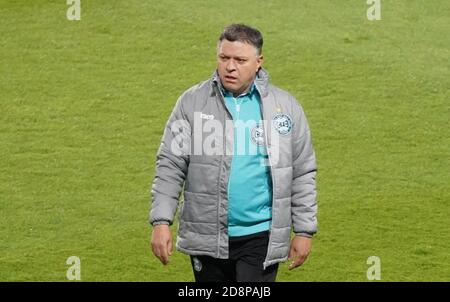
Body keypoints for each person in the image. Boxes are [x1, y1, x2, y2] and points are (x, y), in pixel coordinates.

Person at [150, 24, 318, 282]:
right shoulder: (192, 102)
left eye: (240, 60)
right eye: (224, 57)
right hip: (207, 235)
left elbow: (303, 171)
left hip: (261, 237)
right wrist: (161, 221)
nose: (230, 67)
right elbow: (171, 165)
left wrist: (304, 231)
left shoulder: (285, 108)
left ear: (258, 62)